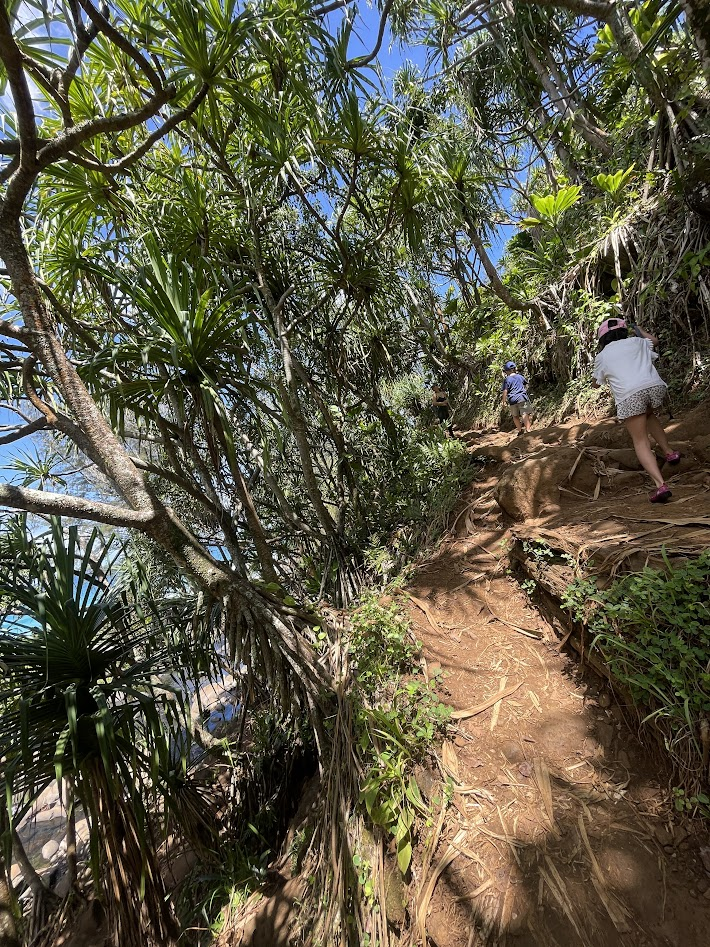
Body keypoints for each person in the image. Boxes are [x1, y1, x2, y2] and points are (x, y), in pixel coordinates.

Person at [592, 317, 681, 503]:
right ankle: (669, 452)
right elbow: (654, 341)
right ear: (624, 331)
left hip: (630, 396)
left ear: (603, 338)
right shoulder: (638, 341)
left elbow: (596, 383)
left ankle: (660, 485)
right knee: (649, 415)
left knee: (640, 441)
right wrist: (639, 329)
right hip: (655, 388)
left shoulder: (602, 356)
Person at [501, 360, 532, 435]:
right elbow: (525, 383)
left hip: (512, 400)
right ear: (515, 369)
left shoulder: (507, 379)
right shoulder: (520, 377)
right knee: (524, 413)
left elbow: (505, 391)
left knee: (515, 416)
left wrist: (503, 401)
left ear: (507, 371)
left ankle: (520, 430)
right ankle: (528, 430)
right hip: (522, 398)